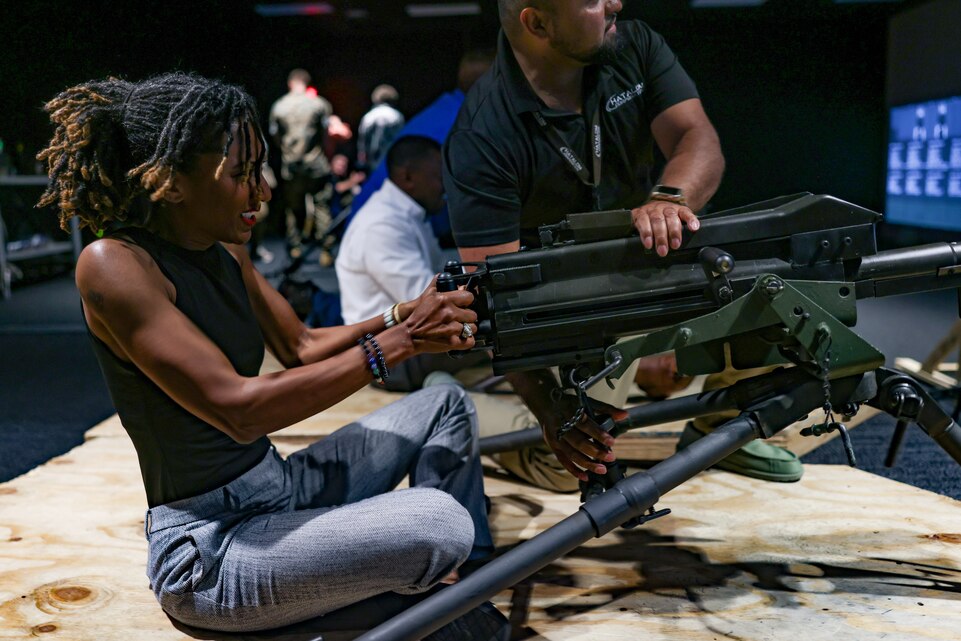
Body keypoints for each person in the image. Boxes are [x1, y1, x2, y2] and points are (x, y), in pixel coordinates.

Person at [37, 72, 508, 638]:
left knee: (446, 404)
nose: (263, 188)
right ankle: (439, 598)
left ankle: (463, 583)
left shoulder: (225, 251)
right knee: (439, 520)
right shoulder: (114, 264)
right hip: (211, 549)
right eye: (240, 174)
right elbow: (240, 410)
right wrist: (400, 342)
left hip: (276, 487)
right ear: (171, 181)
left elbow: (301, 346)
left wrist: (401, 315)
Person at [443, 0, 802, 484]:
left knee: (769, 280)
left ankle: (721, 431)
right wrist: (552, 409)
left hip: (645, 259)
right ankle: (454, 402)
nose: (615, 2)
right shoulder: (482, 136)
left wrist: (669, 200)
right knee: (573, 462)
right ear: (538, 23)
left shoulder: (633, 44)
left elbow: (697, 138)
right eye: (592, 0)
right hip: (572, 309)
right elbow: (492, 300)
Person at [348, 48, 496, 243]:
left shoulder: (447, 109)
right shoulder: (467, 125)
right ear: (493, 85)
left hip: (375, 226)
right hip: (387, 237)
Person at [269, 68, 346, 261]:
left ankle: (295, 247)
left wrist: (287, 151)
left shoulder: (279, 106)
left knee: (293, 208)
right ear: (307, 82)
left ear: (290, 83)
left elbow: (275, 136)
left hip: (291, 165)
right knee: (322, 205)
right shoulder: (319, 104)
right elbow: (327, 134)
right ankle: (326, 250)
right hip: (316, 164)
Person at [357, 84, 406, 171]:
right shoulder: (397, 116)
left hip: (370, 163)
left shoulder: (368, 117)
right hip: (391, 162)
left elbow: (362, 142)